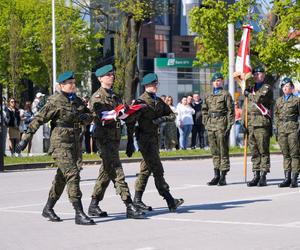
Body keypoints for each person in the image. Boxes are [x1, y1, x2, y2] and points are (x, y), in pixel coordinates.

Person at [16, 71, 95, 225]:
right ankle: (79, 212)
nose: (72, 85)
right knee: (72, 174)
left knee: (62, 177)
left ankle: (48, 208)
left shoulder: (77, 101)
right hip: (60, 143)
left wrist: (87, 118)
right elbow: (38, 119)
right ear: (61, 85)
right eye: (69, 83)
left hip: (75, 143)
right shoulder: (54, 101)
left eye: (73, 82)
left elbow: (89, 115)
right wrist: (25, 139)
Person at [88, 64, 145, 219]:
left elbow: (122, 116)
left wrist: (134, 111)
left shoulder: (115, 96)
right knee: (117, 170)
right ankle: (129, 205)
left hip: (114, 138)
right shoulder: (97, 97)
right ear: (100, 78)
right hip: (104, 138)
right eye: (108, 75)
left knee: (106, 172)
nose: (111, 76)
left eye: (112, 74)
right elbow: (102, 116)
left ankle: (93, 205)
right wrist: (116, 112)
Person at [126, 73, 184, 212]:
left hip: (154, 139)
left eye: (156, 84)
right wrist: (129, 142)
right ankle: (170, 200)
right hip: (144, 140)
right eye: (153, 84)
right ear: (147, 86)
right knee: (158, 170)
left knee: (146, 170)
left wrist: (161, 120)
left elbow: (172, 115)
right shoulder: (141, 102)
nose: (156, 86)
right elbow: (130, 122)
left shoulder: (158, 101)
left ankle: (137, 200)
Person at [242, 66, 273, 187]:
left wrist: (248, 94)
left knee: (263, 150)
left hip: (261, 123)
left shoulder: (266, 88)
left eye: (259, 74)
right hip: (250, 124)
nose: (256, 76)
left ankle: (263, 175)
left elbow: (257, 99)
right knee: (254, 151)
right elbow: (245, 107)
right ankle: (256, 175)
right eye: (254, 74)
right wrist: (243, 123)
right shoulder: (251, 89)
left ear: (263, 75)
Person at [202, 73, 234, 186]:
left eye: (219, 80)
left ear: (222, 82)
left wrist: (229, 126)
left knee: (223, 150)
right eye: (215, 81)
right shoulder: (208, 95)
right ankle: (216, 175)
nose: (217, 82)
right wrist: (206, 122)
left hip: (221, 124)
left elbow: (231, 111)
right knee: (214, 151)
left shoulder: (226, 94)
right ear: (212, 82)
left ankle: (223, 176)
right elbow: (204, 110)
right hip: (211, 124)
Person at [274, 77, 300, 188]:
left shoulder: (296, 100)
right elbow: (276, 115)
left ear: (292, 88)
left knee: (294, 154)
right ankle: (287, 178)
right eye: (283, 86)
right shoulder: (279, 100)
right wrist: (276, 127)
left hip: (293, 129)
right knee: (286, 155)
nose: (285, 88)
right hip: (282, 130)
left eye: (288, 86)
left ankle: (294, 178)